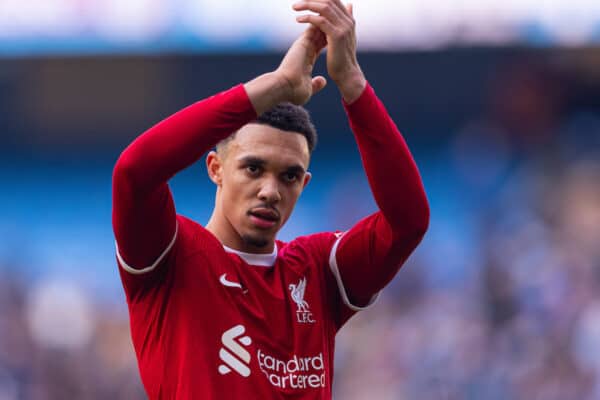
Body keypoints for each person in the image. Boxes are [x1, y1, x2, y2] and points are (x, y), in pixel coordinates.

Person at [111, 1, 429, 398]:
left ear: (305, 183)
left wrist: (351, 82)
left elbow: (408, 222)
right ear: (215, 168)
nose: (270, 190)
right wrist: (273, 87)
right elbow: (134, 172)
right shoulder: (169, 258)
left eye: (290, 175)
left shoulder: (319, 272)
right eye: (253, 168)